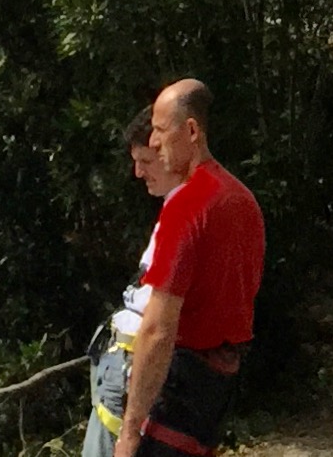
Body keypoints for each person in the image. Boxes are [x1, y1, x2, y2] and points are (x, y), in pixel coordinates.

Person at [98, 78, 264, 457]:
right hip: (219, 385)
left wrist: (129, 432)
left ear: (190, 130)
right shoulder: (242, 199)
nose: (153, 142)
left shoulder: (186, 206)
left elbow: (157, 329)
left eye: (159, 130)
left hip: (179, 386)